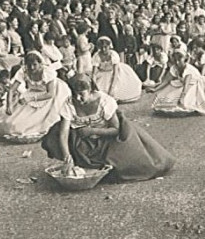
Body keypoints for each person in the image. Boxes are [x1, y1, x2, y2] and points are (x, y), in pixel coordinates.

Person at [40, 74, 175, 182]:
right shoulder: (69, 103)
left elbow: (115, 129)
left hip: (106, 136)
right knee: (53, 135)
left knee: (131, 162)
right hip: (82, 139)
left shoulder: (105, 101)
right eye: (75, 94)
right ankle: (82, 164)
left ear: (91, 90)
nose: (78, 98)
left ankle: (105, 167)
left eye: (82, 94)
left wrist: (92, 131)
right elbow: (63, 133)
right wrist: (67, 157)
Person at [0, 51, 71, 144]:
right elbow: (11, 90)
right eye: (29, 65)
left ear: (40, 63)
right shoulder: (24, 71)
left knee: (38, 123)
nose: (32, 67)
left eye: (35, 64)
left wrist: (30, 99)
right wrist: (9, 105)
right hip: (33, 93)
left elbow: (50, 94)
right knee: (10, 123)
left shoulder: (47, 72)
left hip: (52, 94)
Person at [148, 50, 205, 116]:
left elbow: (186, 85)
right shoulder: (174, 68)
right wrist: (155, 89)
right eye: (175, 61)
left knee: (190, 101)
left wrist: (182, 96)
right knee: (167, 97)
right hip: (183, 85)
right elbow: (166, 81)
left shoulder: (188, 69)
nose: (177, 62)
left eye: (179, 60)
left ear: (183, 60)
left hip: (195, 85)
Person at [90, 36, 142, 103]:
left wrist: (111, 88)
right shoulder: (97, 55)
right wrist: (94, 86)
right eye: (101, 47)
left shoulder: (113, 55)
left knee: (116, 90)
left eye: (106, 47)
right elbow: (94, 73)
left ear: (109, 46)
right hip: (102, 74)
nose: (103, 49)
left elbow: (115, 73)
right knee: (99, 91)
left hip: (115, 73)